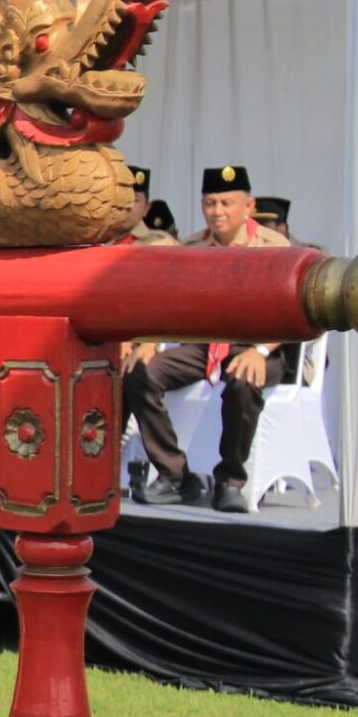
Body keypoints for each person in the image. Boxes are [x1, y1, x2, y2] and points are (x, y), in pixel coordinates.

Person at [127, 164, 291, 513]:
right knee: (140, 374)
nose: (217, 212)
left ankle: (230, 481)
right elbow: (167, 302)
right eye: (210, 203)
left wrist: (261, 351)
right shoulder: (192, 248)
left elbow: (290, 310)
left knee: (243, 382)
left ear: (248, 206)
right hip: (203, 346)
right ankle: (175, 475)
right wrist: (150, 341)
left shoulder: (273, 247)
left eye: (226, 203)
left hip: (259, 345)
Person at [119, 166, 179, 246]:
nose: (127, 205)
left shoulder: (161, 244)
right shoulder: (103, 239)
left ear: (146, 208)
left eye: (135, 200)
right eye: (122, 198)